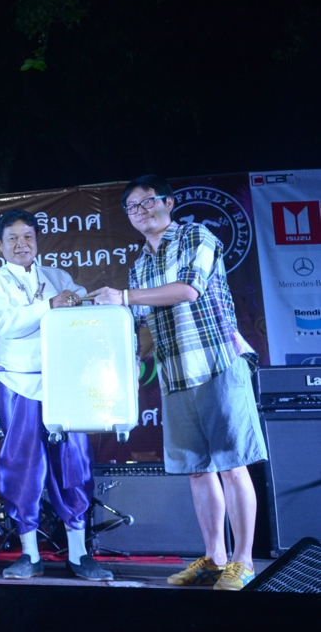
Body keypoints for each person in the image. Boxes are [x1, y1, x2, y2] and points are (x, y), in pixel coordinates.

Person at [93, 175, 267, 591]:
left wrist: (125, 297)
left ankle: (243, 561)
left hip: (217, 365)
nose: (141, 212)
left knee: (232, 466)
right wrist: (125, 353)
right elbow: (145, 327)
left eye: (148, 202)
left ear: (168, 203)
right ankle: (213, 558)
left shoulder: (195, 236)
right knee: (197, 472)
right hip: (174, 375)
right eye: (132, 207)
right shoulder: (140, 264)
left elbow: (188, 290)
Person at [0, 209, 113, 581]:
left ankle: (79, 554)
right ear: (0, 244)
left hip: (64, 383)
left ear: (37, 240)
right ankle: (30, 554)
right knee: (22, 466)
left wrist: (86, 301)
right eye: (13, 238)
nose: (22, 244)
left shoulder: (58, 277)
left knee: (74, 462)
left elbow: (80, 307)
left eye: (28, 237)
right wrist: (50, 305)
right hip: (19, 384)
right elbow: (7, 324)